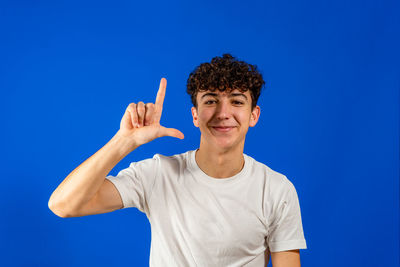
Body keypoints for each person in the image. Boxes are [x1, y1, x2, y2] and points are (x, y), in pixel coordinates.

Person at [48, 54, 307, 266]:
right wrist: (125, 141)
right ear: (195, 115)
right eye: (211, 101)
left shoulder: (276, 189)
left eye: (237, 101)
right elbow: (63, 204)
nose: (223, 113)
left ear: (254, 115)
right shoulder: (158, 173)